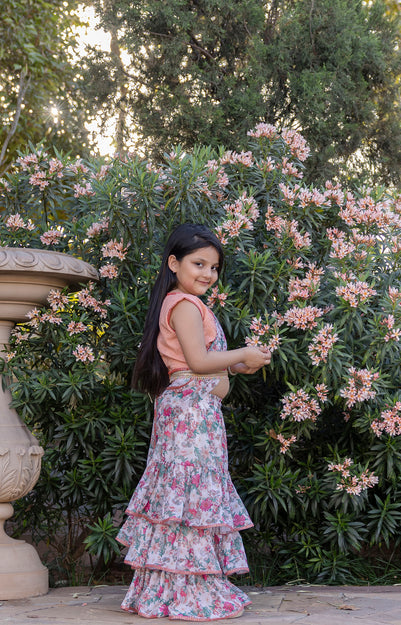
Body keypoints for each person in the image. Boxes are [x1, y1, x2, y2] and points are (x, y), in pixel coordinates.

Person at [117, 223, 271, 620]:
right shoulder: (184, 304)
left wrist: (237, 366)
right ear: (174, 263)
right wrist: (242, 351)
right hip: (189, 417)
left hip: (195, 415)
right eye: (198, 263)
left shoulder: (185, 303)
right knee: (188, 498)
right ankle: (183, 588)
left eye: (214, 267)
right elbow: (200, 363)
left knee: (189, 498)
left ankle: (181, 582)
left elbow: (195, 362)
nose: (207, 273)